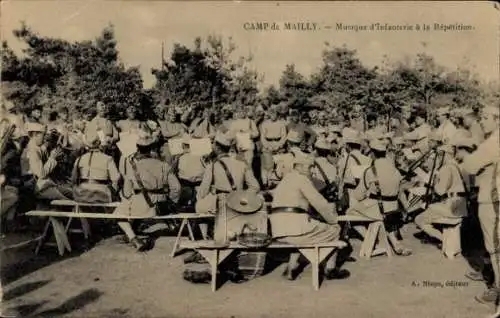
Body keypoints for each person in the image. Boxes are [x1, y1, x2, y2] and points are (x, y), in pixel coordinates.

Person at [270, 153, 349, 280]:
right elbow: (320, 204)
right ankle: (330, 269)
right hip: (295, 229)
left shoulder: (285, 180)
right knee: (334, 229)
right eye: (309, 167)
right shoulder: (302, 179)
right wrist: (333, 218)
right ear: (299, 167)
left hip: (278, 230)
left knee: (303, 235)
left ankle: (291, 267)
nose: (312, 171)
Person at [115, 130, 182, 251]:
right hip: (161, 204)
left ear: (137, 148)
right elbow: (176, 187)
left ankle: (133, 238)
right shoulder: (164, 165)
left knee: (118, 214)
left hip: (141, 204)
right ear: (151, 148)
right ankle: (169, 223)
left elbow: (126, 192)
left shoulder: (133, 166)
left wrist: (125, 196)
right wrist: (171, 201)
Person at [347, 138, 412, 256]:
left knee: (350, 213)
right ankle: (396, 243)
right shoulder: (396, 171)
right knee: (382, 217)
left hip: (378, 208)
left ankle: (374, 242)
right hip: (393, 208)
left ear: (372, 153)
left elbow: (358, 195)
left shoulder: (371, 171)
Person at [462, 105, 500, 305]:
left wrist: (470, 152)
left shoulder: (492, 142)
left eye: (485, 117)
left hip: (492, 198)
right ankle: (490, 276)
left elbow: (469, 165)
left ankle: (496, 289)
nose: (481, 121)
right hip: (493, 196)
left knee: (494, 245)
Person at [414, 142, 469, 248]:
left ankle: (445, 240)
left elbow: (440, 191)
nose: (438, 158)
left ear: (446, 155)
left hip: (451, 206)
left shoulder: (446, 168)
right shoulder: (460, 166)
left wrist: (435, 180)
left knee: (419, 219)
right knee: (432, 208)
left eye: (439, 155)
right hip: (462, 205)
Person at [22, 122, 73, 202]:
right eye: (43, 135)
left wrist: (53, 157)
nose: (45, 138)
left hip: (45, 184)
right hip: (39, 187)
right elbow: (41, 174)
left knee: (72, 193)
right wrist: (52, 158)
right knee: (67, 203)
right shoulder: (33, 151)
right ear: (35, 134)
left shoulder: (36, 148)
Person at [72, 134, 121, 203]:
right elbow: (115, 179)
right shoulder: (108, 159)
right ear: (99, 144)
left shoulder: (79, 159)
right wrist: (113, 191)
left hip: (82, 194)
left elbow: (73, 180)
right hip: (101, 194)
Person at [259, 106, 287, 188]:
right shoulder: (265, 124)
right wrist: (267, 146)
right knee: (267, 165)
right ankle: (265, 183)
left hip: (278, 143)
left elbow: (283, 136)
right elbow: (262, 137)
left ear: (277, 115)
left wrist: (279, 145)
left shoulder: (281, 123)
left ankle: (275, 182)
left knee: (279, 164)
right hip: (268, 144)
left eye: (274, 114)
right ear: (269, 115)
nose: (273, 116)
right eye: (271, 114)